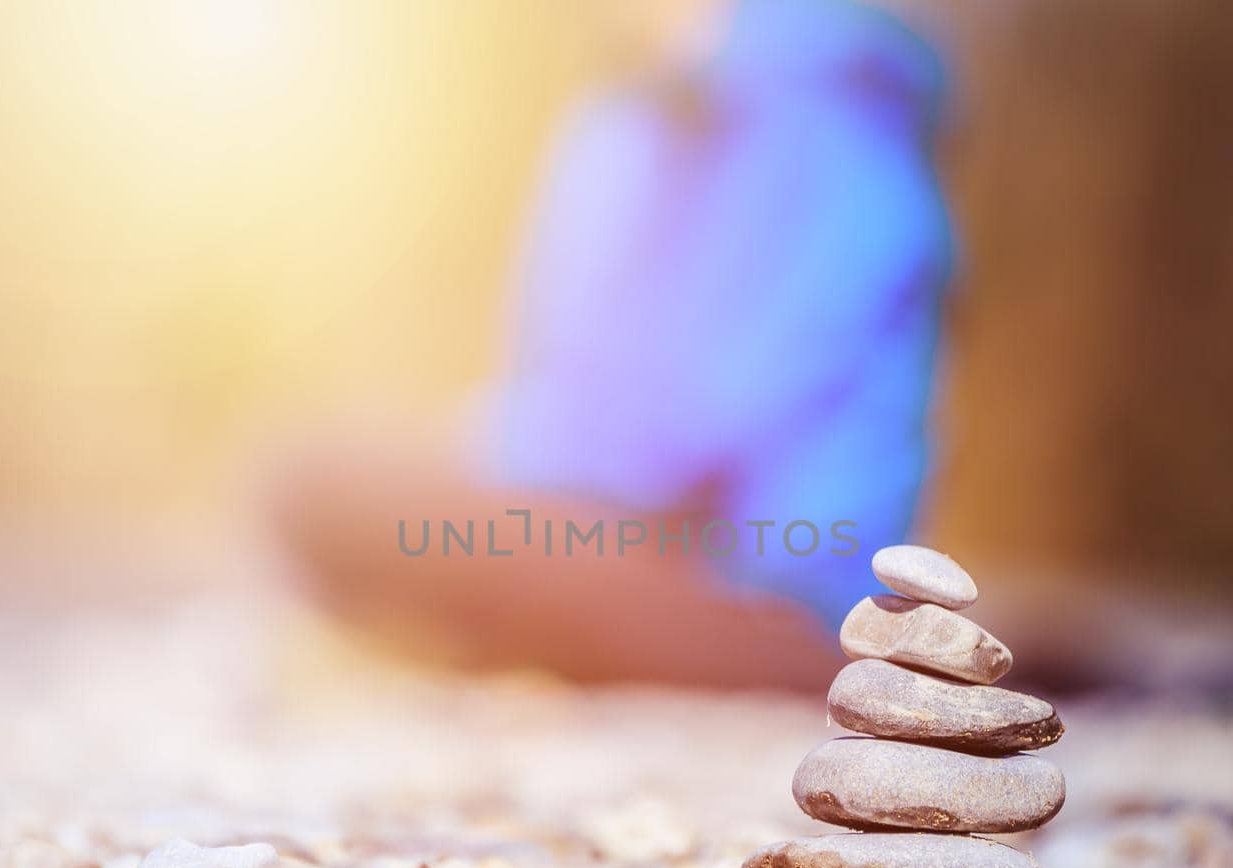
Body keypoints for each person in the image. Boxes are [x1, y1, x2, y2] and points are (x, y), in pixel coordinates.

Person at [272, 0, 950, 691]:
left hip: (760, 577)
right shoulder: (621, 125)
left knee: (372, 505)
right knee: (323, 477)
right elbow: (564, 376)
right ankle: (533, 623)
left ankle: (755, 661)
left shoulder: (840, 123)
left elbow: (727, 417)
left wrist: (532, 486)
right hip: (620, 522)